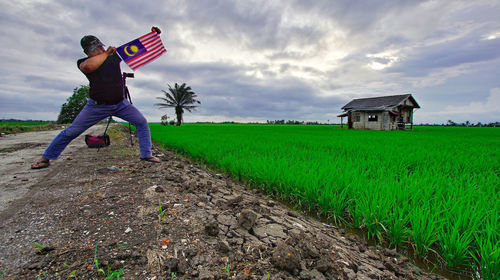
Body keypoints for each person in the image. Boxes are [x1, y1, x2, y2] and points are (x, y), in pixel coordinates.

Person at [31, 27, 161, 169]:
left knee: (141, 122)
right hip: (96, 106)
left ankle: (146, 154)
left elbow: (136, 48)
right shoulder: (83, 62)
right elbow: (89, 67)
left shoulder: (114, 57)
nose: (99, 49)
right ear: (87, 52)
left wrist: (152, 36)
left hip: (120, 104)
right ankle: (46, 158)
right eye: (95, 48)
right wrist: (106, 53)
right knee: (72, 131)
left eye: (100, 46)